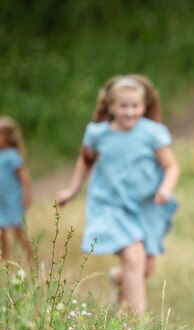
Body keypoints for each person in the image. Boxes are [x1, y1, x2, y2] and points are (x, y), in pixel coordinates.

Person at [56, 74, 179, 316]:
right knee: (134, 258)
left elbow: (172, 166)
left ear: (144, 106)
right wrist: (73, 189)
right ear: (111, 106)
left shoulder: (153, 133)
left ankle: (119, 282)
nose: (130, 112)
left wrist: (165, 188)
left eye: (135, 106)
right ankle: (135, 326)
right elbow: (86, 160)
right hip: (110, 204)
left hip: (147, 205)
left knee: (145, 267)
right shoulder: (98, 134)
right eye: (123, 106)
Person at [0, 116, 33, 263]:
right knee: (1, 233)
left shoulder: (13, 156)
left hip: (12, 200)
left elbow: (24, 177)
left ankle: (33, 260)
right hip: (1, 201)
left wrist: (26, 195)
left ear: (7, 137)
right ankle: (5, 262)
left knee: (18, 232)